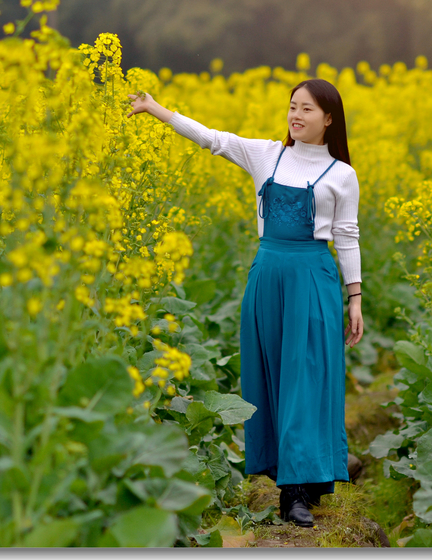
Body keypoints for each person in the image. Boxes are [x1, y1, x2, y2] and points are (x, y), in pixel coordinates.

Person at [127, 79, 363, 528]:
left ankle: (295, 493)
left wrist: (355, 298)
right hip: (268, 275)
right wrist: (156, 109)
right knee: (272, 375)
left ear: (329, 119)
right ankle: (292, 473)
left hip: (312, 277)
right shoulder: (266, 154)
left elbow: (347, 238)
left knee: (305, 377)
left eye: (307, 109)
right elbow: (211, 139)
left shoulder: (341, 175)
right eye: (293, 107)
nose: (296, 115)